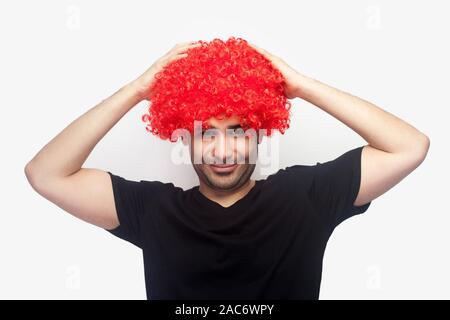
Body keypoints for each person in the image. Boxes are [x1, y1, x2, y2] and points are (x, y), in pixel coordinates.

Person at [24, 38, 430, 300]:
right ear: (186, 138)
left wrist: (302, 86)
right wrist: (136, 90)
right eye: (207, 133)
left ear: (259, 133)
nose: (222, 150)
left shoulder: (306, 196)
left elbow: (410, 147)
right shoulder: (151, 209)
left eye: (237, 131)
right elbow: (45, 174)